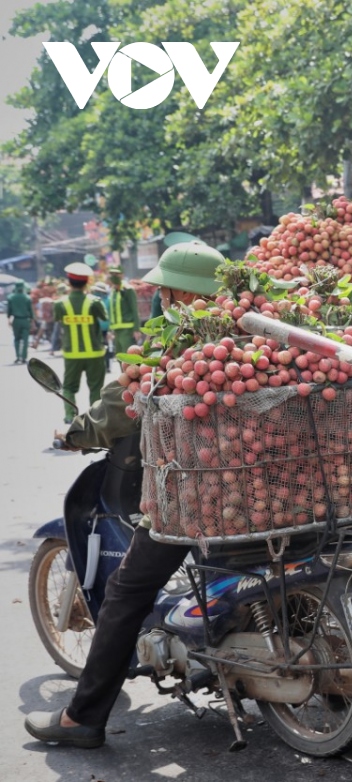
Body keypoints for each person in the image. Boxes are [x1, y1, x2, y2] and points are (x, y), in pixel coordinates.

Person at [24, 242, 227, 750]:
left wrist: (75, 432)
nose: (157, 295)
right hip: (266, 491)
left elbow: (118, 406)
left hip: (196, 499)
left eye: (163, 287)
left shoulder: (176, 346)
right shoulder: (251, 334)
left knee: (125, 592)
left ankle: (83, 718)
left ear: (184, 292)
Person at [55, 264, 109, 424]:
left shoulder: (60, 304)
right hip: (94, 354)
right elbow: (104, 318)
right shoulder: (95, 302)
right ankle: (94, 417)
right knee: (95, 388)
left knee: (69, 387)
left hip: (72, 354)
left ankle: (70, 415)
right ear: (87, 283)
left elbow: (58, 319)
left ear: (69, 282)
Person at [105, 269, 141, 356]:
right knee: (119, 355)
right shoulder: (113, 292)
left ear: (121, 275)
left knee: (128, 356)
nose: (114, 276)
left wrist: (136, 329)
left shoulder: (128, 290)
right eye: (112, 274)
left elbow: (135, 310)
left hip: (127, 330)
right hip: (116, 331)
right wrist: (110, 330)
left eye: (116, 274)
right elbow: (111, 312)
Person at [7, 281, 33, 363]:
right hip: (25, 320)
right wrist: (32, 320)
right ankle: (24, 357)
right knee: (25, 340)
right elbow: (31, 311)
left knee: (17, 339)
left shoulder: (11, 298)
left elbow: (9, 311)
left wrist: (8, 319)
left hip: (16, 320)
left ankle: (18, 356)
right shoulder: (27, 298)